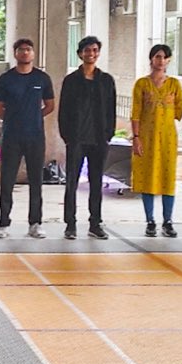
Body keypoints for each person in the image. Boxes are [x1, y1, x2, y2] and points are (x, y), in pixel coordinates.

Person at [0, 37, 55, 240]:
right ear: (15, 54)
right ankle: (3, 223)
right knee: (7, 179)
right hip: (12, 136)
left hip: (35, 136)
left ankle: (35, 223)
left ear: (33, 54)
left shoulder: (42, 78)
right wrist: (13, 119)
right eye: (21, 50)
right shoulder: (6, 79)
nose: (25, 53)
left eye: (28, 49)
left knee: (36, 180)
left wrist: (33, 117)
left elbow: (50, 105)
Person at [58, 36, 117, 241]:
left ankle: (95, 223)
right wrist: (67, 136)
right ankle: (70, 224)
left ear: (98, 53)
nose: (90, 54)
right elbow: (63, 110)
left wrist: (108, 134)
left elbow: (111, 109)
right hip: (76, 139)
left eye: (94, 50)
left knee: (96, 182)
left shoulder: (106, 80)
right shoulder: (71, 80)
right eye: (87, 50)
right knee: (72, 182)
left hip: (99, 140)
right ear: (80, 54)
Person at [131, 43, 182, 238]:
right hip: (146, 137)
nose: (160, 60)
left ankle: (168, 220)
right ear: (151, 59)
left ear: (169, 60)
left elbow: (180, 109)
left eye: (164, 57)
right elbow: (136, 112)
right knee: (148, 177)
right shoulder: (142, 84)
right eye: (157, 57)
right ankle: (150, 221)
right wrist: (136, 137)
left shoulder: (174, 85)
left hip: (167, 138)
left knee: (167, 178)